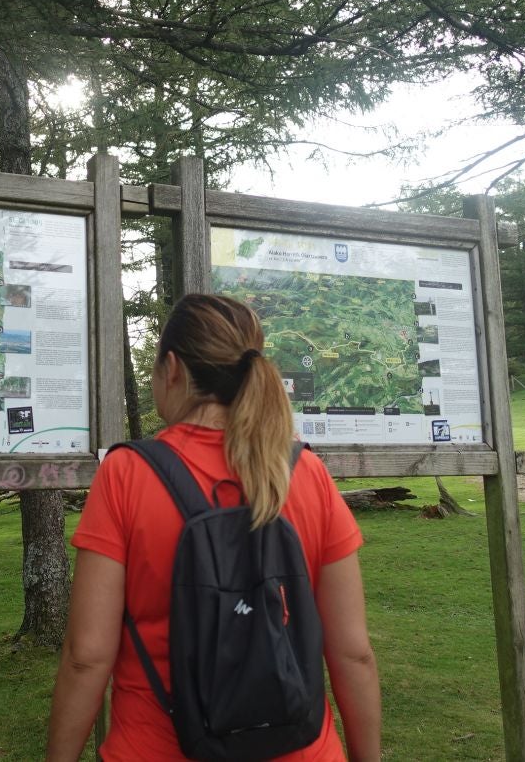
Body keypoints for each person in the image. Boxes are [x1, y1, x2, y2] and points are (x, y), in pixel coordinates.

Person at [46, 294, 381, 761]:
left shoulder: (126, 475)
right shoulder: (306, 474)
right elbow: (353, 654)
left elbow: (87, 656)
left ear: (174, 368)